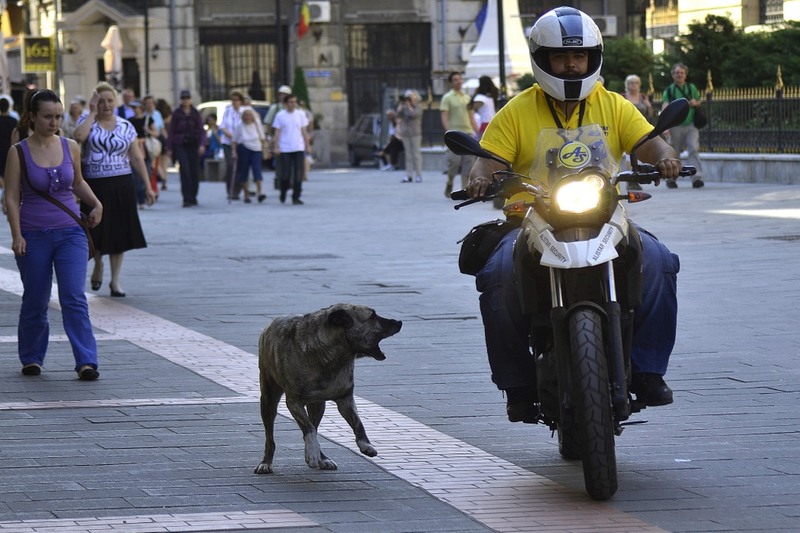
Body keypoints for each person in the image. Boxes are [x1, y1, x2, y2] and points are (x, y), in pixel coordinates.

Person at [465, 7, 683, 422]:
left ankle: (649, 370)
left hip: (605, 216)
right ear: (542, 59)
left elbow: (651, 145)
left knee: (659, 261)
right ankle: (518, 384)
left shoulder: (615, 105)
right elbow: (487, 160)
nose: (571, 64)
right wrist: (480, 177)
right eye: (561, 57)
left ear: (592, 58)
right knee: (496, 275)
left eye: (580, 56)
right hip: (532, 218)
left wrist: (667, 158)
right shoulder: (516, 110)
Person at [2, 89, 103, 380]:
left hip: (70, 232)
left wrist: (96, 203)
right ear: (32, 117)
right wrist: (17, 234)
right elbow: (10, 197)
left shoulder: (70, 146)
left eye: (58, 116)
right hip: (33, 234)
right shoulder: (18, 151)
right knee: (36, 298)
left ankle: (86, 360)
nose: (54, 122)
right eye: (47, 116)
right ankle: (32, 357)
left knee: (73, 296)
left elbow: (79, 183)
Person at [73, 82, 156, 298]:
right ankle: (98, 263)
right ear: (95, 103)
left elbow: (137, 157)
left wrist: (148, 187)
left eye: (110, 100)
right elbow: (78, 137)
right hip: (95, 185)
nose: (106, 105)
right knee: (95, 230)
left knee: (120, 233)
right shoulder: (87, 122)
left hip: (122, 183)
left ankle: (115, 281)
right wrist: (91, 112)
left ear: (116, 102)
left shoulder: (126, 125)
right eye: (101, 101)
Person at [662, 63, 705, 189]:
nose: (679, 75)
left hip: (691, 124)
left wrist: (695, 103)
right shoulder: (669, 91)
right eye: (677, 73)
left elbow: (698, 102)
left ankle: (697, 178)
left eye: (681, 73)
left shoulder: (691, 88)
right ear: (673, 75)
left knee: (693, 149)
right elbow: (665, 107)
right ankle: (671, 178)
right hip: (675, 125)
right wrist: (665, 126)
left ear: (685, 75)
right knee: (674, 152)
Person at [166, 89, 206, 207]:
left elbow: (201, 130)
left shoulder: (195, 113)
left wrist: (202, 145)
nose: (185, 100)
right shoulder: (177, 113)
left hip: (193, 144)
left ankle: (193, 196)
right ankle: (186, 198)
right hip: (180, 144)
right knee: (185, 170)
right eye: (183, 98)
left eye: (187, 98)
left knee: (194, 171)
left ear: (190, 99)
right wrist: (169, 148)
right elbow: (171, 131)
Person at [441, 71, 477, 197]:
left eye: (460, 79)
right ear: (451, 82)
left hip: (468, 134)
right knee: (454, 162)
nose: (458, 81)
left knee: (469, 163)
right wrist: (448, 132)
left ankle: (465, 189)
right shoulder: (447, 98)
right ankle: (450, 182)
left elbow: (471, 116)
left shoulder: (467, 98)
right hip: (455, 135)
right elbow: (444, 116)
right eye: (455, 79)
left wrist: (478, 131)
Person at [272, 93, 311, 205]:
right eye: (291, 102)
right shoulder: (280, 115)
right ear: (285, 104)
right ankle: (283, 191)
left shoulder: (300, 114)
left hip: (298, 147)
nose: (293, 104)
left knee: (298, 173)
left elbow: (304, 131)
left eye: (295, 102)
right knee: (286, 173)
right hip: (285, 148)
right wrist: (276, 146)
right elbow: (277, 132)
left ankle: (296, 196)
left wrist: (307, 145)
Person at [232, 108, 267, 203]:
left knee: (257, 170)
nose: (248, 117)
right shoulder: (239, 126)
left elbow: (263, 138)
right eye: (246, 116)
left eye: (249, 115)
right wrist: (234, 152)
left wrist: (265, 150)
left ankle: (260, 192)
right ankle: (246, 194)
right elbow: (234, 141)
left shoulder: (257, 125)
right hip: (244, 148)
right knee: (244, 171)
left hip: (256, 149)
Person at [219, 90, 246, 200]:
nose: (234, 102)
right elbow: (223, 126)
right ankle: (230, 189)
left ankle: (237, 190)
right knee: (230, 165)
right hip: (228, 142)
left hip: (241, 142)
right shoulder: (227, 111)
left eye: (236, 100)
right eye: (233, 100)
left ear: (241, 101)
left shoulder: (244, 112)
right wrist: (231, 135)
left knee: (239, 166)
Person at [396, 90, 423, 183]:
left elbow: (414, 114)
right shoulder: (404, 107)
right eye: (407, 97)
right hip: (406, 133)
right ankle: (408, 175)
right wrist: (401, 106)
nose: (409, 98)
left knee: (416, 154)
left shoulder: (418, 107)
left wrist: (409, 106)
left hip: (415, 133)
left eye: (411, 96)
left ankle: (418, 175)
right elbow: (399, 116)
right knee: (408, 155)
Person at [0, 97, 18, 214]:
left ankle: (4, 189)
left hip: (0, 149)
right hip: (10, 149)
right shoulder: (14, 121)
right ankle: (5, 190)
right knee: (8, 171)